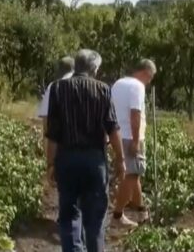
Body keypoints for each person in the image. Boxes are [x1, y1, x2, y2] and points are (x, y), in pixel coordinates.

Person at [45, 49, 126, 252]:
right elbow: (112, 127)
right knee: (95, 218)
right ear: (94, 69)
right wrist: (120, 159)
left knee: (69, 214)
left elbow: (53, 132)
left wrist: (50, 163)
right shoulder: (102, 90)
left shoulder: (58, 89)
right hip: (94, 161)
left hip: (67, 158)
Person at [111, 59, 157, 227]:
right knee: (132, 174)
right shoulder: (138, 86)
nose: (149, 81)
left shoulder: (118, 83)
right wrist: (136, 140)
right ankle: (117, 216)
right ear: (145, 72)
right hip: (130, 136)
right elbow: (135, 114)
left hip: (116, 134)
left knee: (132, 172)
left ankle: (140, 209)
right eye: (150, 77)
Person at [37, 56, 75, 134]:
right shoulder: (82, 85)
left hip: (58, 137)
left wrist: (46, 138)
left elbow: (45, 117)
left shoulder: (53, 86)